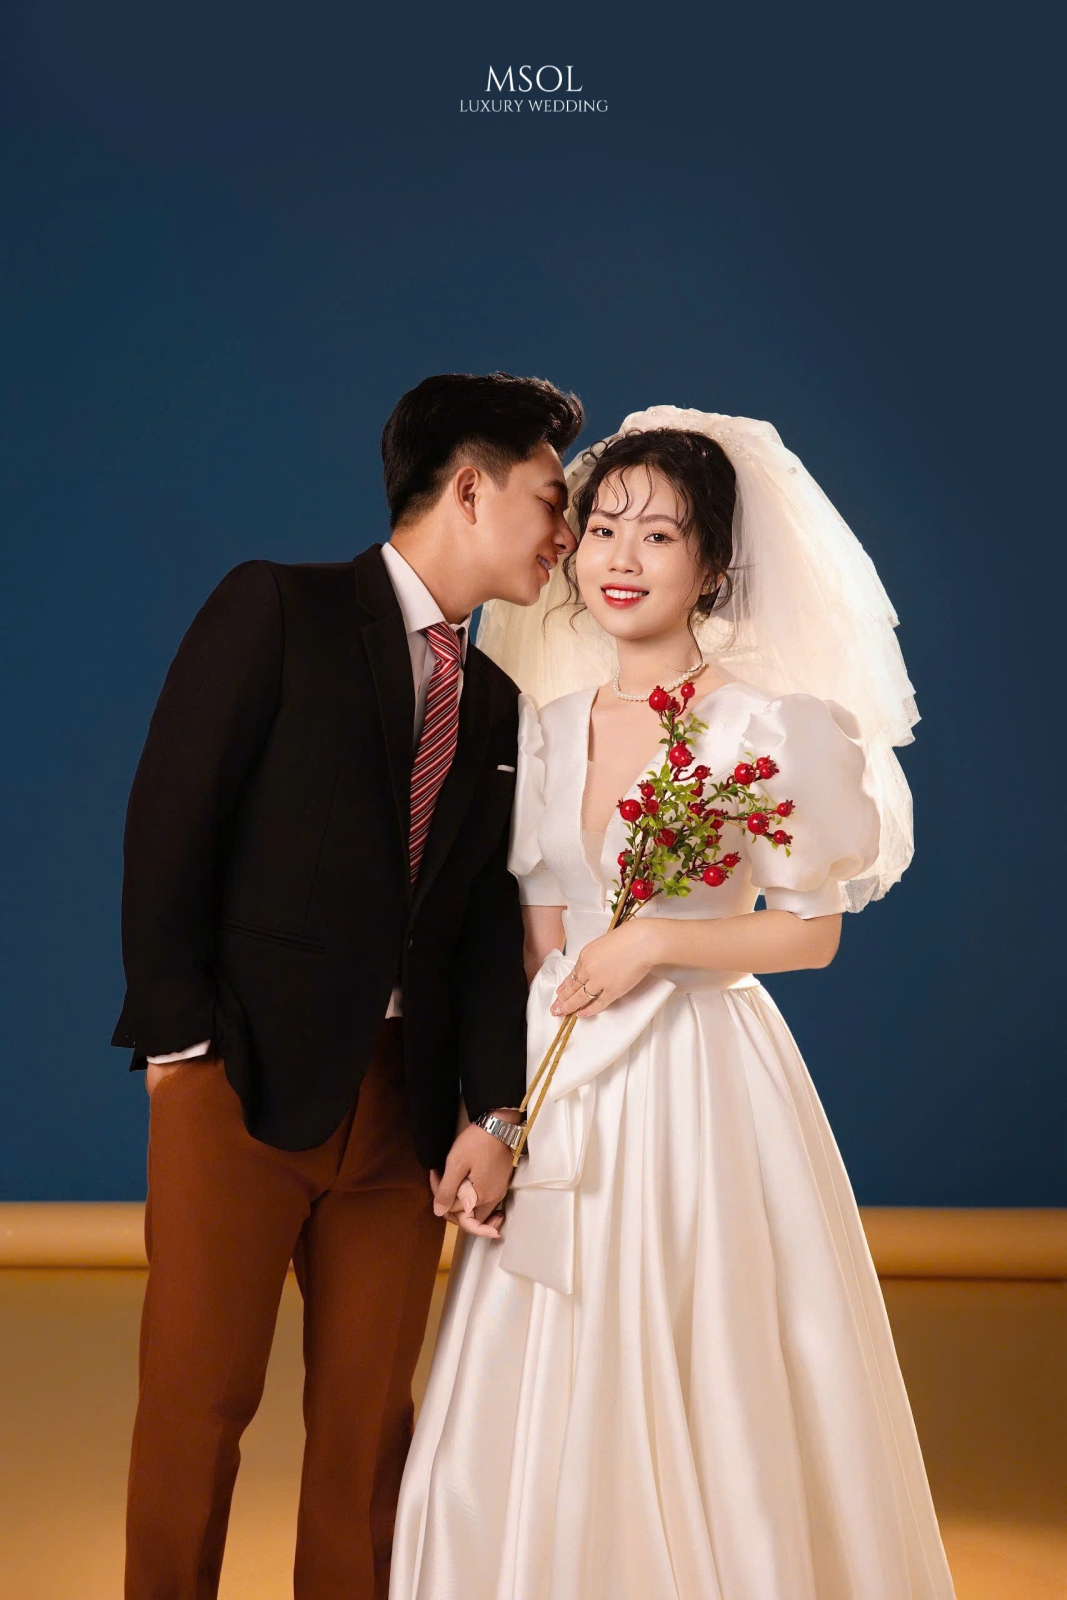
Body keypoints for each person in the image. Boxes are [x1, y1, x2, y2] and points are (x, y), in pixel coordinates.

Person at [390, 408, 956, 1598]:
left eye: (658, 535)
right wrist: (499, 1117)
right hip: (562, 1076)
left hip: (698, 1082)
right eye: (601, 528)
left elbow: (811, 932)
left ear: (711, 567)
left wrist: (655, 940)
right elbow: (536, 943)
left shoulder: (766, 729)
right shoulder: (541, 730)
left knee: (712, 1354)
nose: (620, 557)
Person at [111, 371, 584, 1599]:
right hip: (238, 1081)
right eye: (551, 499)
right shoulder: (277, 608)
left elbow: (481, 927)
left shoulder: (497, 704)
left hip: (398, 1114)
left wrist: (492, 1111)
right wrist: (179, 1045)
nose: (567, 533)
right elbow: (172, 816)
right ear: (469, 488)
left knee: (371, 1433)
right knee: (196, 1406)